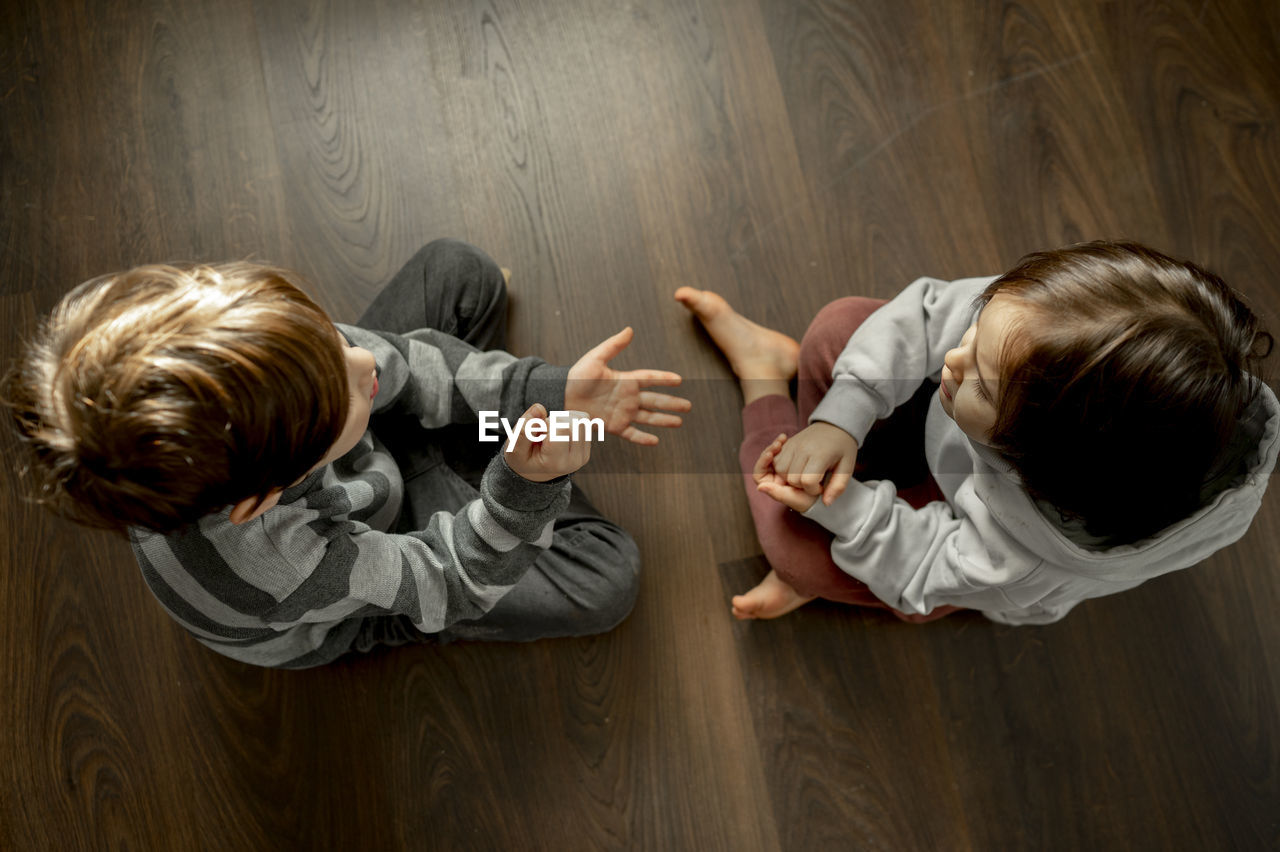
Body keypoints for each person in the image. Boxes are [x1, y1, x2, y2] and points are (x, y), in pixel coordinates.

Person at [6, 239, 690, 667]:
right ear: (267, 493)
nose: (365, 359)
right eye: (344, 390)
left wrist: (546, 388)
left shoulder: (269, 372)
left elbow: (382, 364)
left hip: (352, 473)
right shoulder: (283, 564)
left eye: (328, 340)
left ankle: (460, 450)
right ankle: (460, 500)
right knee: (607, 578)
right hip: (361, 562)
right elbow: (448, 577)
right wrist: (524, 486)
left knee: (460, 270)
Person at [676, 240, 1279, 624]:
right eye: (982, 324)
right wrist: (842, 417)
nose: (953, 359)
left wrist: (849, 512)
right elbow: (933, 313)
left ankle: (762, 378)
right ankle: (839, 437)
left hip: (958, 543)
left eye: (981, 384)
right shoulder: (1053, 330)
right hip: (963, 451)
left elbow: (926, 561)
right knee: (843, 329)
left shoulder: (1024, 562)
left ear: (1037, 461)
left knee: (794, 549)